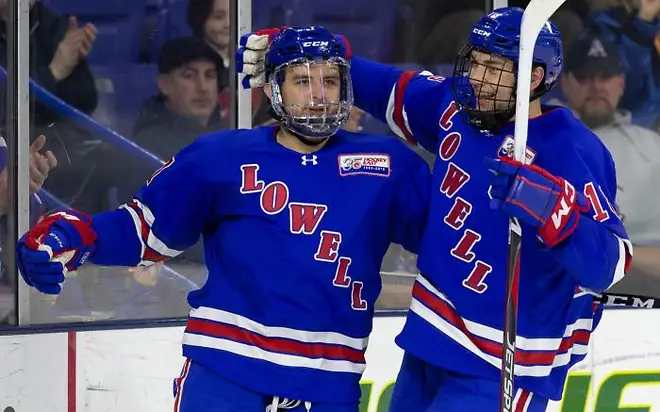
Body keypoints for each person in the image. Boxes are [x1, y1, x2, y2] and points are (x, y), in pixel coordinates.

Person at [236, 7, 634, 411]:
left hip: (501, 363)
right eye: (475, 62)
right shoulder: (455, 108)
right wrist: (307, 51)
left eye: (493, 69)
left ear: (532, 78)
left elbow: (611, 263)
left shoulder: (570, 149)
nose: (477, 77)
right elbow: (383, 87)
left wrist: (551, 209)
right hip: (432, 339)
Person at [15, 26, 431, 412]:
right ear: (274, 88)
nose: (319, 94)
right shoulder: (220, 156)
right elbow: (143, 230)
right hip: (226, 369)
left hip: (330, 381)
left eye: (331, 80)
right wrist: (73, 235)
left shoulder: (389, 166)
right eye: (303, 81)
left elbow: (446, 245)